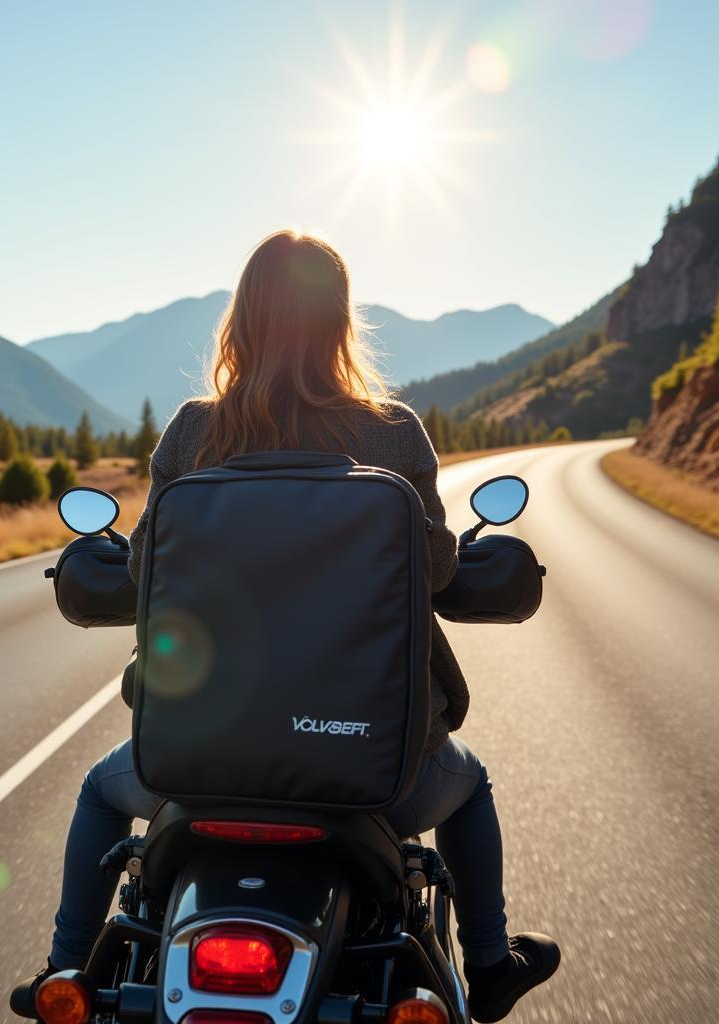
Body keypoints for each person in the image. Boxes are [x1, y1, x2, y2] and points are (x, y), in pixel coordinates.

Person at [39, 231, 559, 1024]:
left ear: (240, 321)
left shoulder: (191, 431)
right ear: (340, 323)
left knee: (100, 790)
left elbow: (147, 572)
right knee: (471, 784)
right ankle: (489, 967)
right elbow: (438, 573)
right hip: (374, 769)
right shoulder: (393, 433)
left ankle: (64, 968)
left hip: (194, 766)